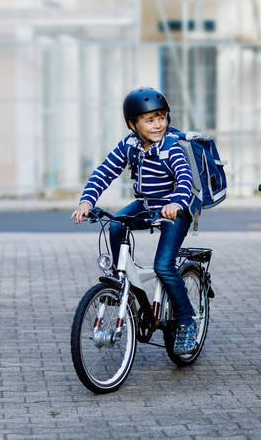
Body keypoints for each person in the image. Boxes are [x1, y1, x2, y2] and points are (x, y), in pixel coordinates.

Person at [71, 87, 198, 355]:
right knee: (116, 223)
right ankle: (121, 277)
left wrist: (176, 203)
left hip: (176, 208)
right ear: (133, 124)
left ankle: (186, 322)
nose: (158, 124)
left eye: (161, 117)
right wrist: (87, 201)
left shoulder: (171, 147)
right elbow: (105, 171)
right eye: (150, 120)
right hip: (146, 204)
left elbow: (185, 179)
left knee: (164, 265)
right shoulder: (129, 146)